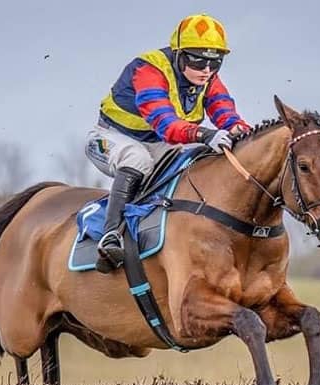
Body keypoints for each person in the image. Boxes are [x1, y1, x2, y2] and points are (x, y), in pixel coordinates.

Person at [87, 13, 253, 270]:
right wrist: (204, 134)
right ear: (179, 54)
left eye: (214, 62)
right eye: (198, 61)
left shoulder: (207, 78)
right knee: (137, 158)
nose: (207, 70)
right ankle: (110, 235)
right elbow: (165, 122)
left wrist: (241, 131)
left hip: (159, 143)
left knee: (197, 157)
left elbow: (223, 109)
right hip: (112, 138)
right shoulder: (148, 70)